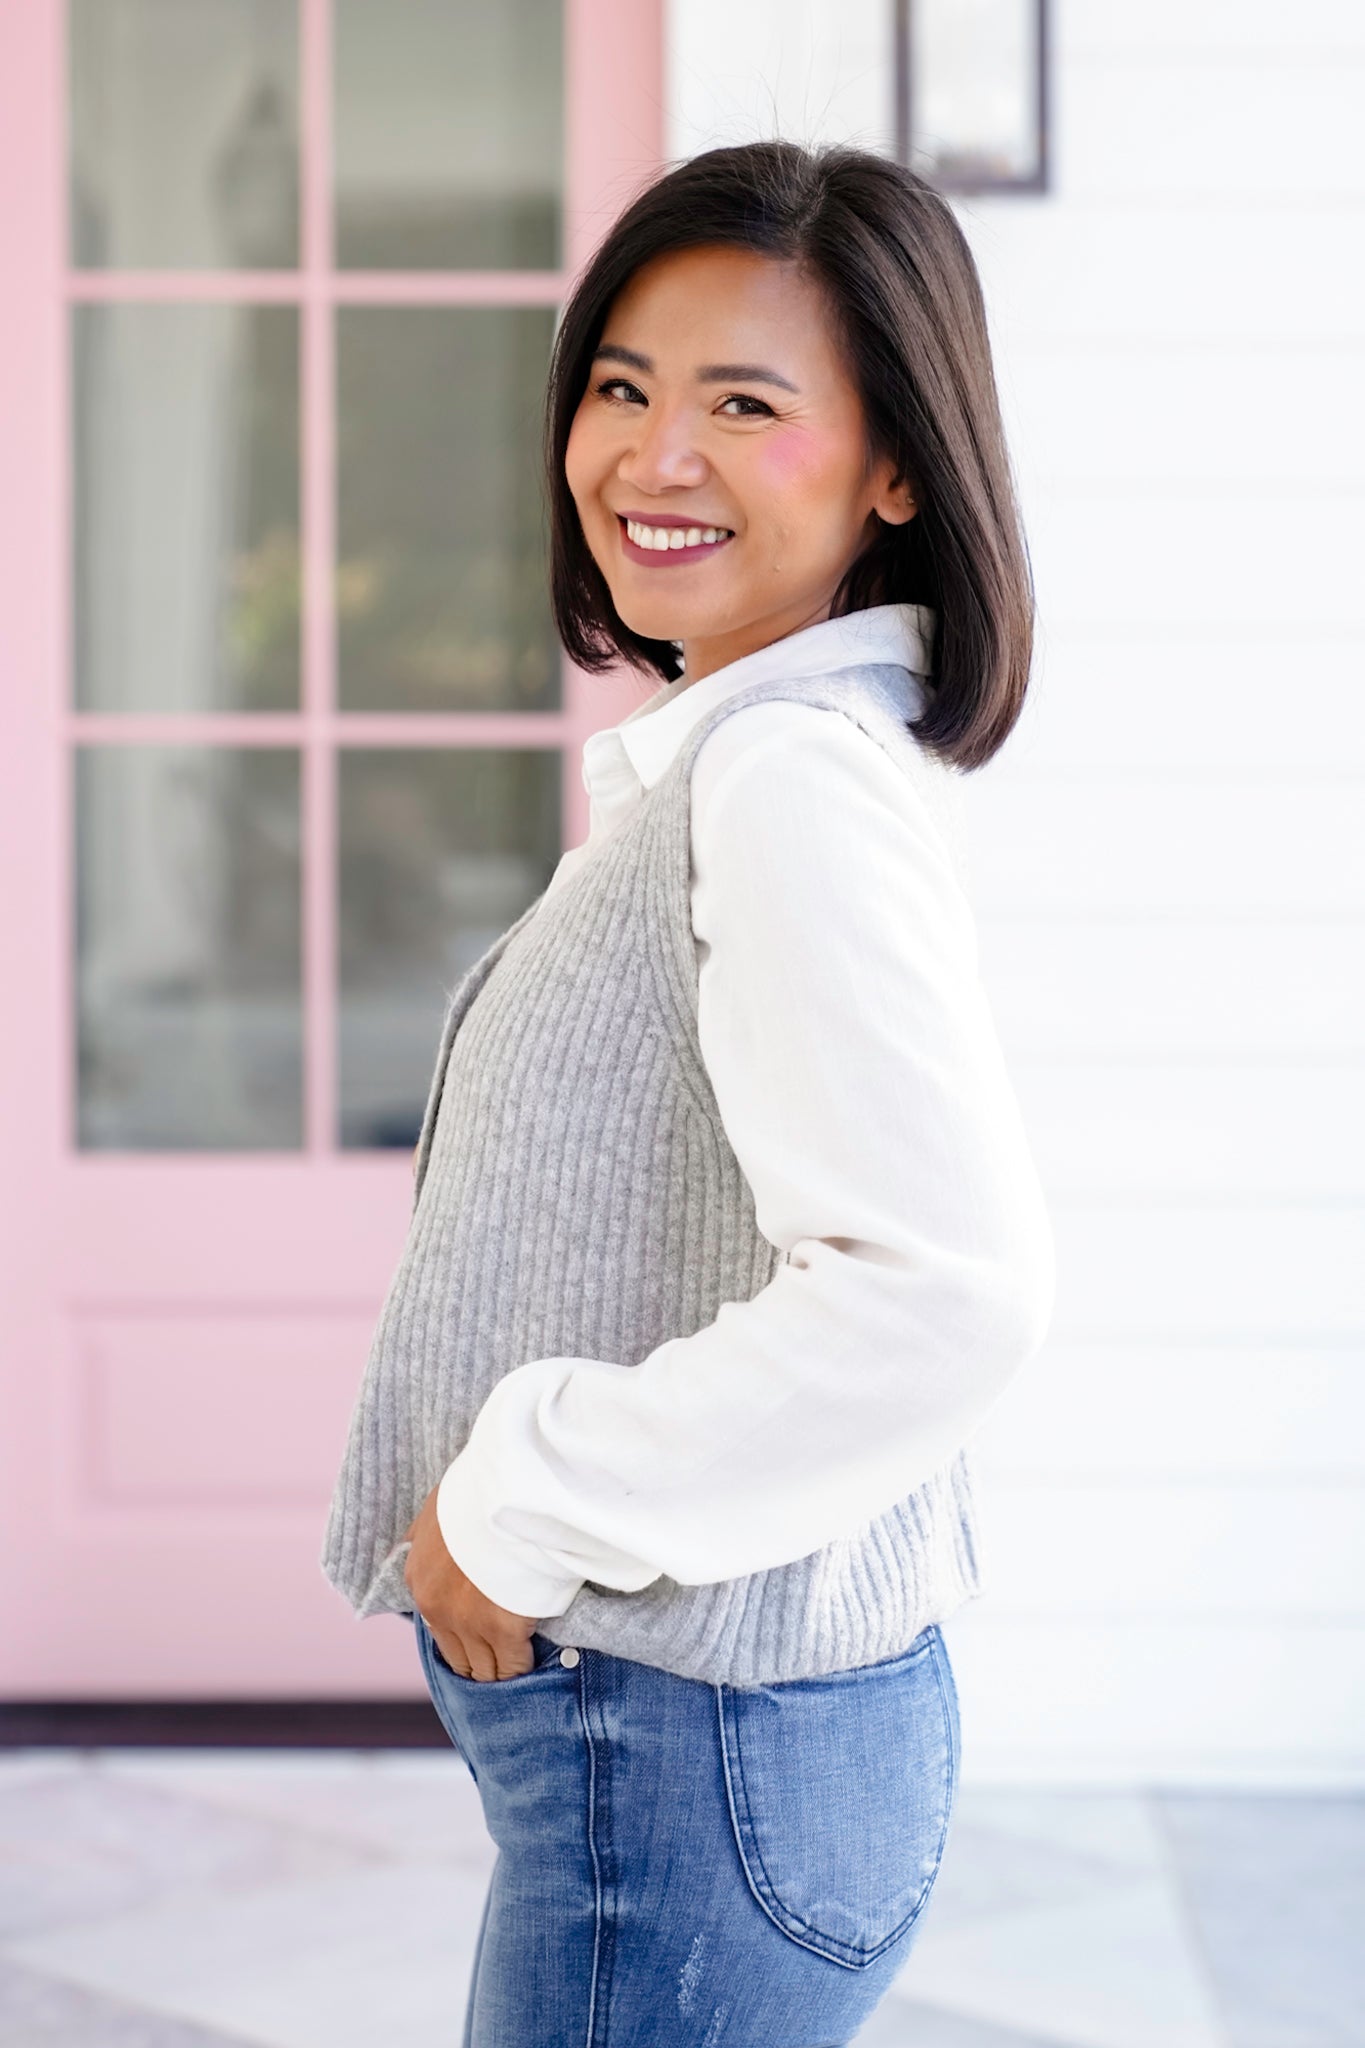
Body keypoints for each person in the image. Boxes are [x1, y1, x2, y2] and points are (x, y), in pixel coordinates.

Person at [321, 137, 1055, 2046]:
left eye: (744, 402)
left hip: (693, 1760)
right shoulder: (751, 760)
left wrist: (517, 1492)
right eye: (623, 386)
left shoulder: (785, 780)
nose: (652, 455)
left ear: (896, 464)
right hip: (713, 1759)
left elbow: (940, 1288)